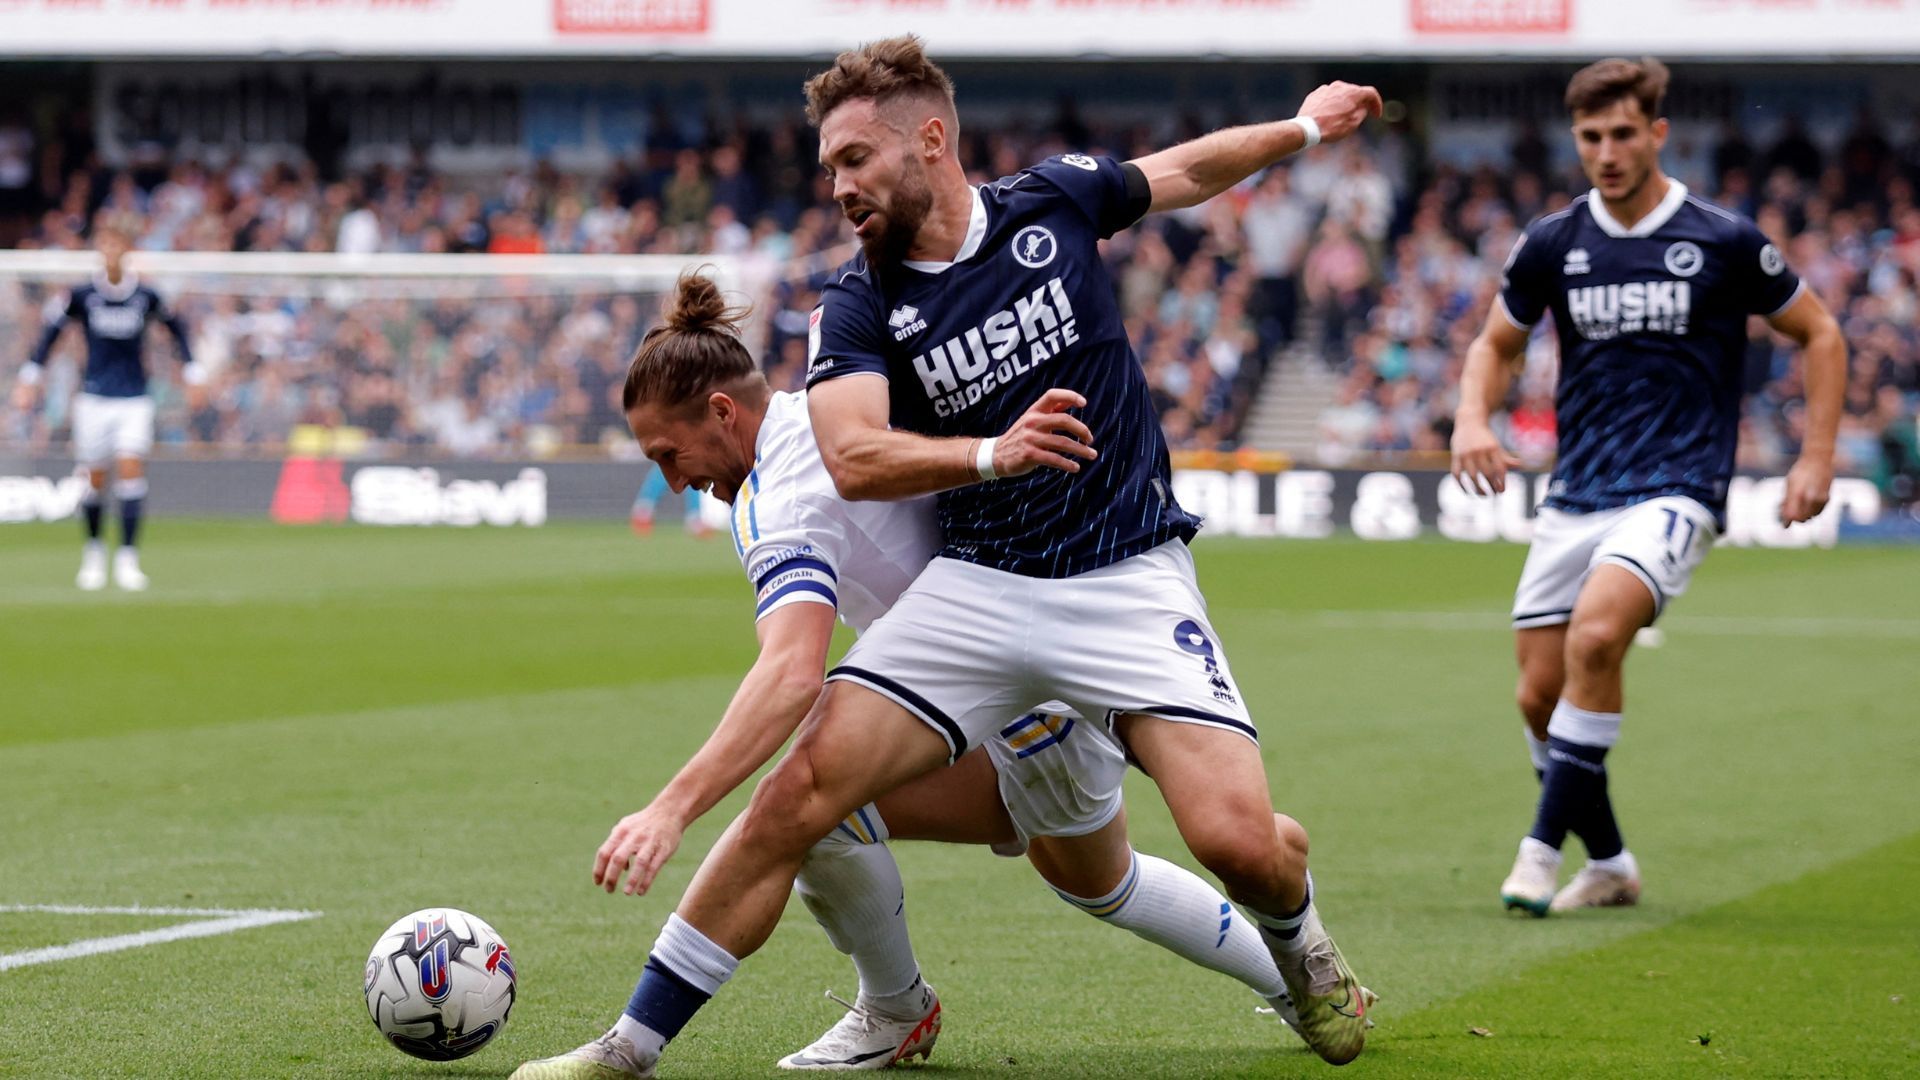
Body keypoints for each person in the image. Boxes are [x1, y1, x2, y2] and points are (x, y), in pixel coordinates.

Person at [522, 37, 1383, 1078]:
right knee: (798, 799)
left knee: (1238, 845)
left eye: (852, 159)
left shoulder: (1053, 202)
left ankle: (1308, 957)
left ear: (929, 140)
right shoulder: (857, 304)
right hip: (978, 591)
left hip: (1124, 570)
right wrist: (994, 452)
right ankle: (631, 1049)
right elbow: (852, 453)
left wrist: (1301, 128)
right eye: (828, 167)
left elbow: (1187, 170)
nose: (836, 186)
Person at [1449, 57, 1845, 916]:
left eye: (1624, 133)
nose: (1607, 151)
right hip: (1576, 490)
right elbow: (1495, 344)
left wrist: (1814, 458)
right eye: (1591, 136)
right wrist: (1472, 418)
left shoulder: (1724, 238)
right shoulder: (1554, 242)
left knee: (1597, 639)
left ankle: (1537, 855)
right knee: (1537, 694)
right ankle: (1613, 866)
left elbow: (1819, 333)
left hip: (1677, 484)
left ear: (1658, 133)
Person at [13, 225, 202, 591]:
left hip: (134, 397)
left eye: (116, 244)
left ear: (127, 249)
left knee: (131, 471)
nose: (110, 251)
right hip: (94, 397)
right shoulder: (83, 296)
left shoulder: (144, 296)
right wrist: (30, 374)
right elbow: (51, 334)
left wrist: (194, 372)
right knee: (95, 479)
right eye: (104, 245)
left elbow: (176, 329)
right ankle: (94, 552)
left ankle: (128, 558)